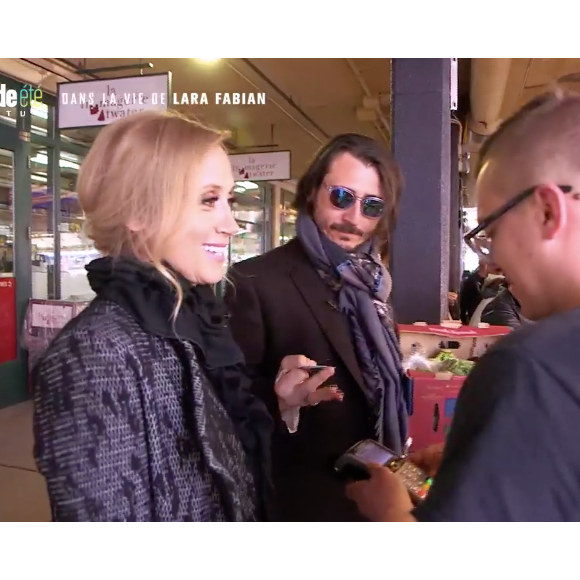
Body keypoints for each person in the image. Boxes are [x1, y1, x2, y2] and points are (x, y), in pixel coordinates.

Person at [346, 87, 580, 523]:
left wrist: (391, 512)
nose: (494, 260)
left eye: (490, 232)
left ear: (548, 211)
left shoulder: (530, 367)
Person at [32, 111, 274, 523]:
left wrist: (279, 398)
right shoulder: (94, 353)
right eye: (207, 200)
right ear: (138, 210)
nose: (231, 224)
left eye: (228, 200)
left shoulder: (193, 322)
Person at [224, 133, 410, 522]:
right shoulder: (253, 281)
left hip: (373, 499)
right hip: (301, 504)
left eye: (372, 206)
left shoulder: (374, 284)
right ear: (311, 192)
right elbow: (224, 406)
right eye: (341, 197)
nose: (353, 219)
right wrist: (280, 400)